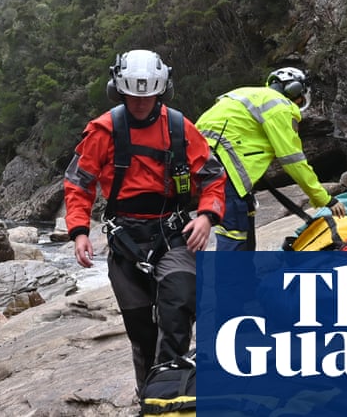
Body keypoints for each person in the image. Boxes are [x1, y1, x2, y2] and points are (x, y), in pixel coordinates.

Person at [63, 49, 227, 392]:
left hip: (172, 232)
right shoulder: (103, 131)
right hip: (126, 239)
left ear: (161, 91)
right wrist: (79, 231)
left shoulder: (180, 128)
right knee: (141, 330)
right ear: (118, 90)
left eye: (148, 95)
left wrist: (208, 216)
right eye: (133, 96)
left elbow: (212, 177)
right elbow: (79, 183)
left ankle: (171, 391)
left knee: (179, 305)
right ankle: (149, 396)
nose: (140, 103)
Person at [194, 66, 340, 251]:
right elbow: (293, 160)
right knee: (234, 231)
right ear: (294, 90)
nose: (298, 102)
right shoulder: (280, 105)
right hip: (226, 166)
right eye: (300, 97)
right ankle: (229, 280)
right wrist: (324, 199)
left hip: (200, 159)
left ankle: (247, 278)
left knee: (242, 218)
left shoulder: (245, 93)